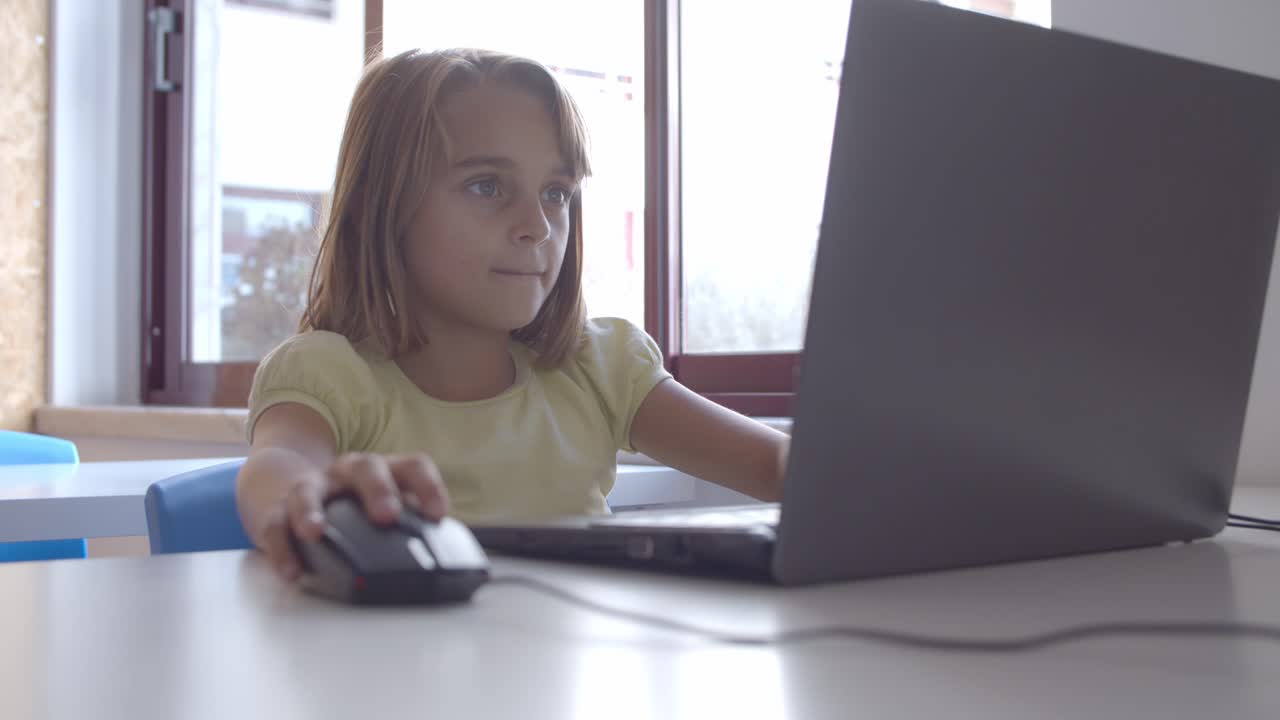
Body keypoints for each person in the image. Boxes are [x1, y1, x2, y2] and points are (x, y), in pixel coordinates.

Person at [235, 48, 790, 582]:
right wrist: (302, 497)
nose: (538, 226)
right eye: (487, 186)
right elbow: (279, 467)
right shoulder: (328, 374)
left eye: (556, 193)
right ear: (382, 206)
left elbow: (778, 468)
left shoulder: (601, 368)